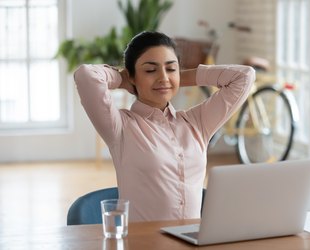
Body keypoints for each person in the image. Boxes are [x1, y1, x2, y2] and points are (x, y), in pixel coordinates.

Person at [74, 31, 255, 222]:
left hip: (193, 241)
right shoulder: (120, 127)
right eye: (150, 70)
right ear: (132, 76)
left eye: (170, 68)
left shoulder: (197, 122)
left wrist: (178, 78)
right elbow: (86, 76)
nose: (163, 78)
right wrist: (123, 79)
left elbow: (244, 76)